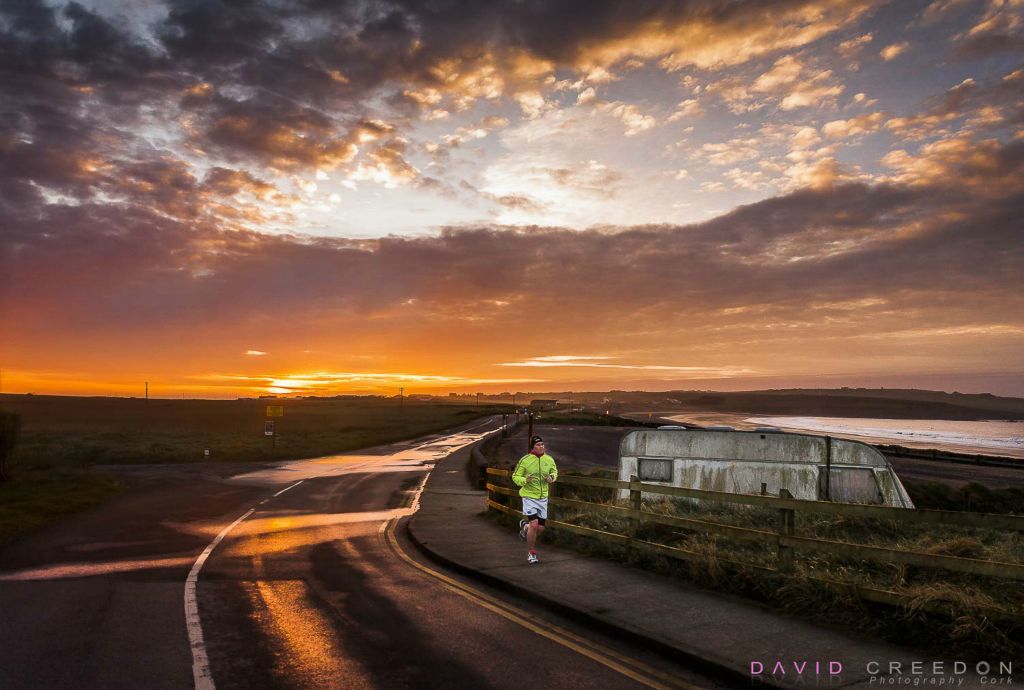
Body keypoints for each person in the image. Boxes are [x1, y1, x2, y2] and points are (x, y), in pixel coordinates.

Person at [511, 435, 558, 564]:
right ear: (532, 447)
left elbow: (554, 472)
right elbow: (515, 476)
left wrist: (552, 477)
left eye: (542, 444)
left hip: (543, 498)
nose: (541, 446)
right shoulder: (525, 460)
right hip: (529, 497)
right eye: (538, 444)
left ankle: (525, 527)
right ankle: (531, 553)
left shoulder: (549, 459)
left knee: (540, 528)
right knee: (534, 524)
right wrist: (524, 480)